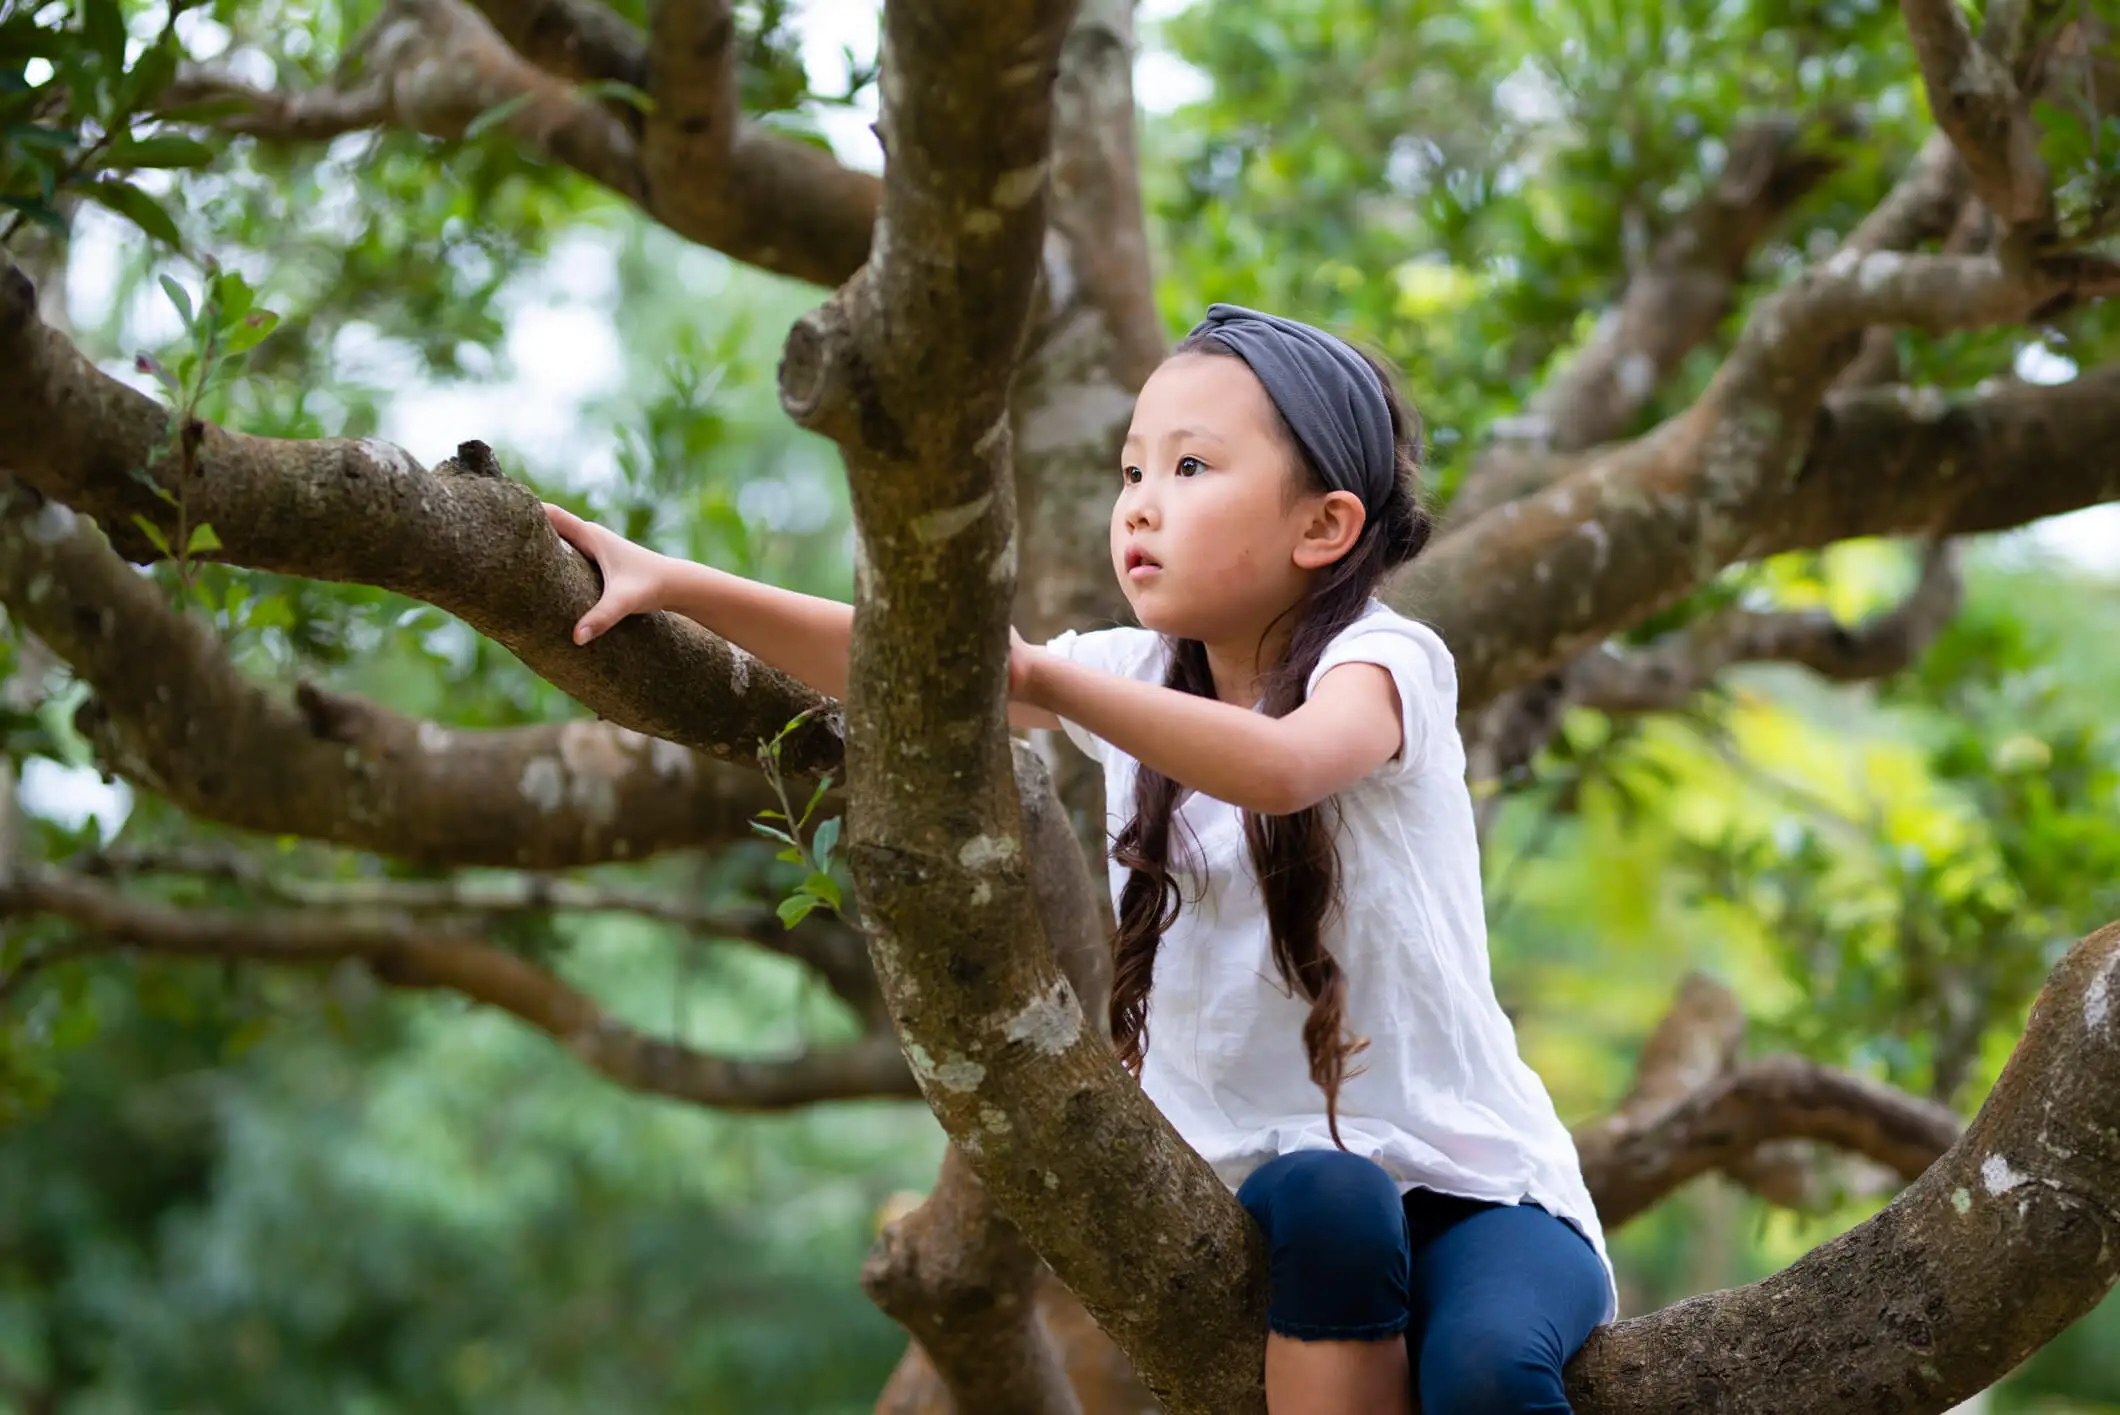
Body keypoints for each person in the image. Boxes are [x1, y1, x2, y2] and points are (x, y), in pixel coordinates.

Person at [544, 304, 1616, 1414]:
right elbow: (902, 657)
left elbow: (1285, 764)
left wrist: (1044, 681)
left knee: (1486, 1371)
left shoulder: (1385, 660)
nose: (1140, 502)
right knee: (1335, 1199)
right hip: (1268, 1188)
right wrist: (673, 582)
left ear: (1324, 525)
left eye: (1191, 466)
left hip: (1478, 1189)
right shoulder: (1128, 669)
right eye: (1130, 469)